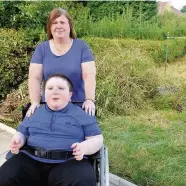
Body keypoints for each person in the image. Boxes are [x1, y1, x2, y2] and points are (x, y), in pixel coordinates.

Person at [0, 74, 103, 186]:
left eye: (61, 88)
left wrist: (84, 147)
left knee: (83, 181)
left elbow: (97, 139)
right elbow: (22, 133)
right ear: (44, 94)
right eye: (50, 88)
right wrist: (19, 139)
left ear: (70, 95)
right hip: (31, 159)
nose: (55, 91)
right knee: (5, 176)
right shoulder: (34, 112)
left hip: (69, 161)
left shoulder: (82, 114)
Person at [27, 8, 96, 117]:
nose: (59, 26)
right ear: (50, 27)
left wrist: (89, 100)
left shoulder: (82, 47)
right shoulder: (41, 49)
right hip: (50, 107)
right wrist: (35, 102)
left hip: (77, 107)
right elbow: (35, 78)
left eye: (62, 22)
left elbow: (89, 75)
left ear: (70, 26)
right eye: (54, 23)